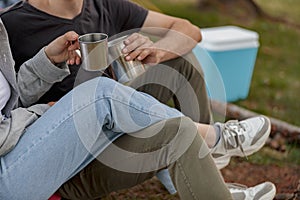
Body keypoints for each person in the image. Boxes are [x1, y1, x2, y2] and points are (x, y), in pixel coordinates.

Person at [0, 0, 272, 198]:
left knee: (177, 65)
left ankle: (208, 179)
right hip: (63, 161)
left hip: (107, 123)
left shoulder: (103, 5)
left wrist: (157, 51)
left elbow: (188, 30)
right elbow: (14, 119)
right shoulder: (13, 23)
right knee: (101, 92)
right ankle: (214, 140)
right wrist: (51, 111)